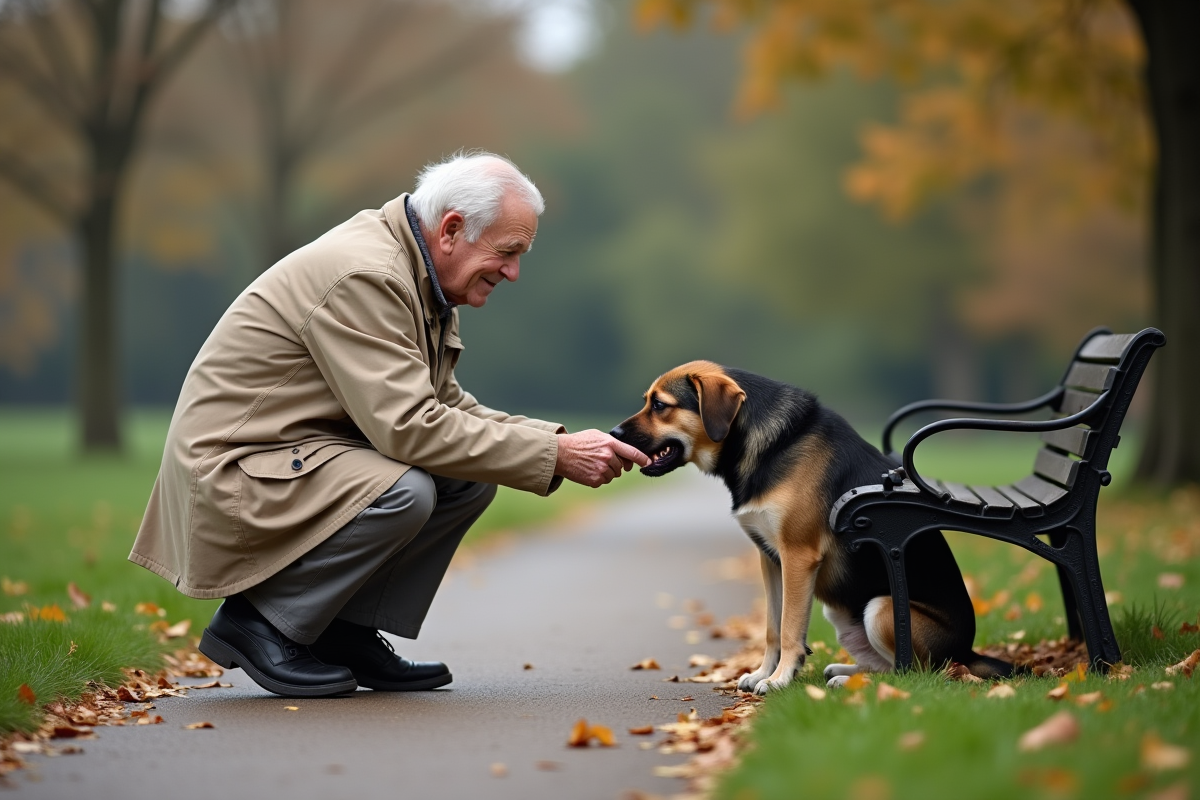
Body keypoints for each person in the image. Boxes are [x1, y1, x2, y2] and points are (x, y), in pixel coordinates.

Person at [130, 152, 649, 697]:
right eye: (507, 252)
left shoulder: (420, 277)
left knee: (469, 478)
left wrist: (560, 444)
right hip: (233, 476)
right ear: (451, 230)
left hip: (289, 461)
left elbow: (448, 408)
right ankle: (259, 623)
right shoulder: (368, 276)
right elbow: (409, 428)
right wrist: (555, 457)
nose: (513, 272)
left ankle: (341, 631)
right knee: (405, 492)